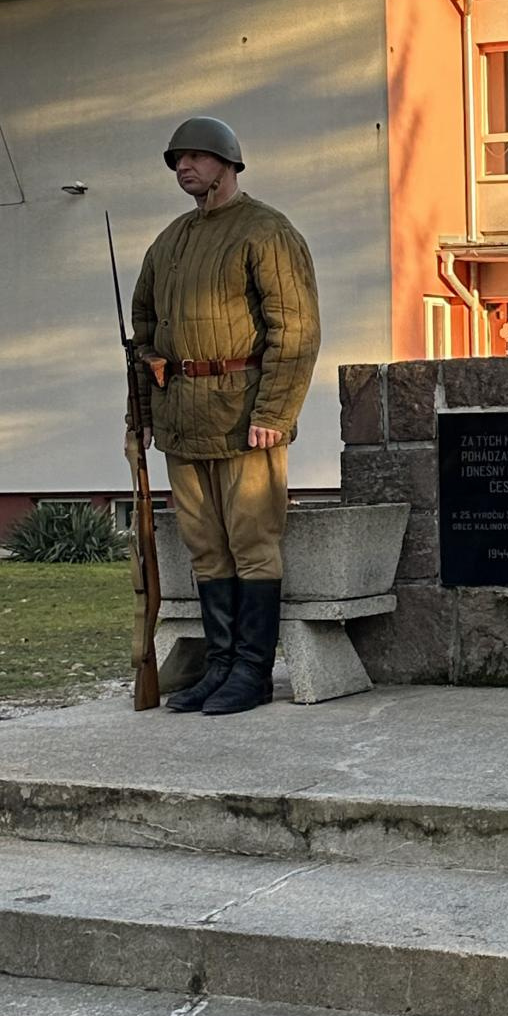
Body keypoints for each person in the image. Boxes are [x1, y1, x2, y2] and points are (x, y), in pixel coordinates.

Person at [132, 118, 321, 717]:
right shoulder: (169, 242)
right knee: (206, 550)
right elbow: (143, 334)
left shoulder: (266, 231)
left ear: (228, 162)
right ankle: (219, 667)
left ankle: (252, 673)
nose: (184, 167)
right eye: (177, 160)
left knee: (252, 545)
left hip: (245, 418)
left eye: (196, 157)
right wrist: (142, 415)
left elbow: (295, 330)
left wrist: (275, 411)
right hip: (181, 421)